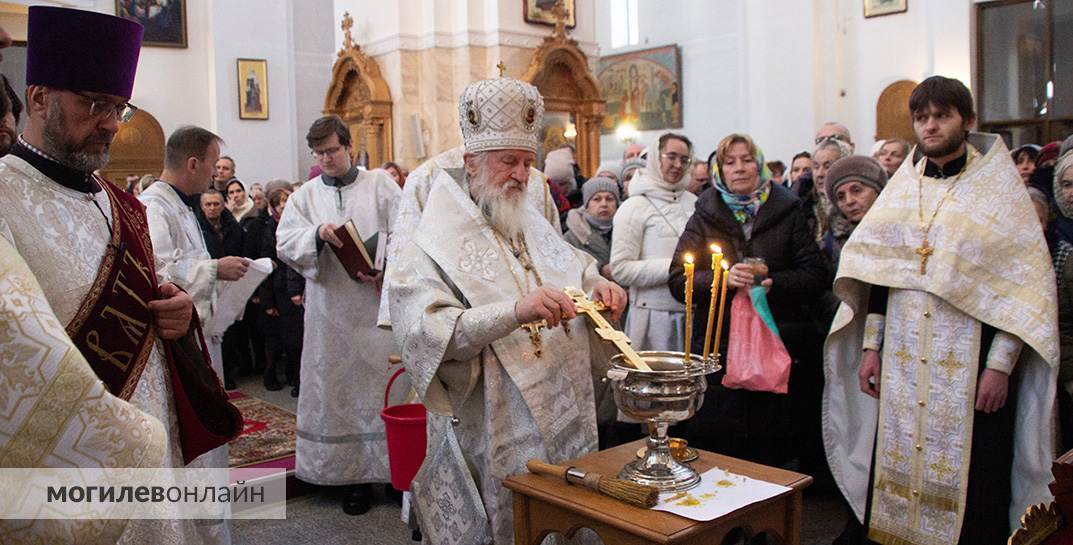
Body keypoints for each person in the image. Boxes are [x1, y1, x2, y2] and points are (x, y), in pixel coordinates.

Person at [0, 7, 234, 544]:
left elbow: (150, 299)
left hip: (156, 450)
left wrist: (176, 307)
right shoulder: (4, 195)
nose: (110, 122)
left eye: (119, 107)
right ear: (39, 98)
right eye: (94, 103)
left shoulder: (120, 203)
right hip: (66, 466)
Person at [388, 73, 626, 545]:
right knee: (505, 519)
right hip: (489, 408)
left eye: (528, 162)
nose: (522, 175)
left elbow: (569, 264)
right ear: (472, 162)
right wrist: (515, 312)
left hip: (564, 398)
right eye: (509, 161)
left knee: (562, 511)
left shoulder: (525, 214)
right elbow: (424, 330)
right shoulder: (432, 233)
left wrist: (599, 283)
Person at [824, 76, 1058, 545]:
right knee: (896, 466)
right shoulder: (903, 189)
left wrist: (1000, 368)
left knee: (975, 478)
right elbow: (883, 278)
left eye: (941, 115)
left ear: (967, 121)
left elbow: (1020, 291)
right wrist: (871, 348)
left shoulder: (999, 193)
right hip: (904, 362)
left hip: (972, 366)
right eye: (922, 117)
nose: (930, 126)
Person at [668, 132, 830, 467]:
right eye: (730, 162)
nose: (739, 168)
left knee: (771, 445)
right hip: (720, 344)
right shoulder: (705, 213)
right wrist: (722, 280)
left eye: (745, 160)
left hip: (776, 341)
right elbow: (679, 280)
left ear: (758, 165)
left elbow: (815, 274)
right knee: (721, 444)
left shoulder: (786, 210)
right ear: (719, 170)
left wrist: (776, 281)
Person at [276, 115, 401, 515]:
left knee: (385, 387)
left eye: (332, 150)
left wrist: (385, 265)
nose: (325, 158)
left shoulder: (381, 184)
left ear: (349, 146)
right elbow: (285, 242)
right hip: (330, 311)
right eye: (318, 153)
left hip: (378, 306)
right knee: (339, 389)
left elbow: (407, 233)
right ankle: (354, 479)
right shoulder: (305, 196)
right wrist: (317, 235)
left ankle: (394, 472)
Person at [611, 132, 698, 351]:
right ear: (656, 157)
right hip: (652, 318)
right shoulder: (634, 206)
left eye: (684, 159)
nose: (678, 164)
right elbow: (620, 269)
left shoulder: (696, 203)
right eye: (671, 156)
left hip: (693, 315)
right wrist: (675, 268)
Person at [258, 180, 303, 394]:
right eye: (281, 203)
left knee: (298, 337)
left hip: (295, 288)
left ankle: (298, 379)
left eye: (288, 201)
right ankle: (279, 375)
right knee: (282, 339)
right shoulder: (268, 228)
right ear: (273, 207)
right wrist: (266, 300)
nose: (284, 206)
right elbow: (267, 265)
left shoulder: (298, 224)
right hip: (278, 289)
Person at [822, 156, 888, 267]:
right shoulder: (830, 244)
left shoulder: (902, 231)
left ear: (877, 191)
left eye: (856, 190)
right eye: (841, 196)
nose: (849, 201)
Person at [564, 176, 620, 280]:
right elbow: (568, 272)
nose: (604, 204)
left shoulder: (627, 230)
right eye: (596, 199)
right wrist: (599, 270)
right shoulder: (571, 238)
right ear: (586, 204)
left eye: (609, 199)